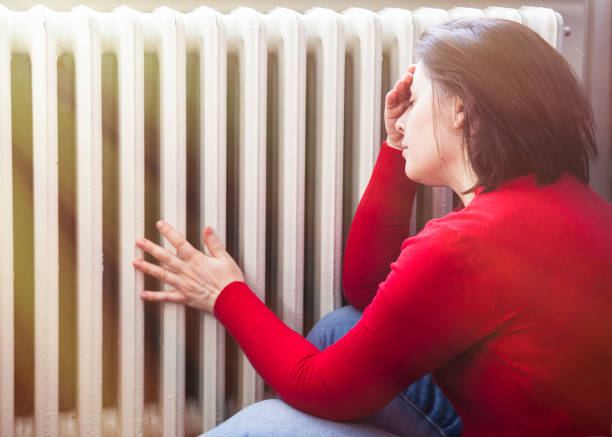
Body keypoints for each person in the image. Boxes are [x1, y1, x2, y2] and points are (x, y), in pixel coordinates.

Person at [132, 17, 612, 437]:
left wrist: (226, 293)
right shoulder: (572, 201)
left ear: (461, 111)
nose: (403, 120)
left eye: (416, 98)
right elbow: (368, 290)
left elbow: (315, 386)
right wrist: (394, 144)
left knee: (259, 426)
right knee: (342, 328)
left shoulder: (464, 245)